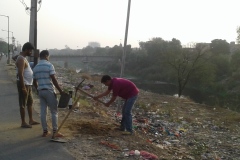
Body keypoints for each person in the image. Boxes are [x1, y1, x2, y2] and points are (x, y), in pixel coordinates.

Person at [33, 50, 65, 137]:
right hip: (49, 91)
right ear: (46, 56)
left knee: (43, 112)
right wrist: (60, 90)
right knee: (54, 111)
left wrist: (38, 90)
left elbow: (34, 81)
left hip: (41, 91)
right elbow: (53, 79)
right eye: (48, 56)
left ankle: (45, 131)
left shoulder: (36, 67)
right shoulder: (49, 65)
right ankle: (55, 131)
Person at [15, 42, 40, 128]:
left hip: (28, 84)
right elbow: (20, 74)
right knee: (23, 103)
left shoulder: (24, 59)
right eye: (30, 51)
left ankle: (31, 120)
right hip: (24, 84)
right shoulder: (21, 59)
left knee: (30, 102)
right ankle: (23, 122)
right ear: (26, 50)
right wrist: (23, 88)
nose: (31, 53)